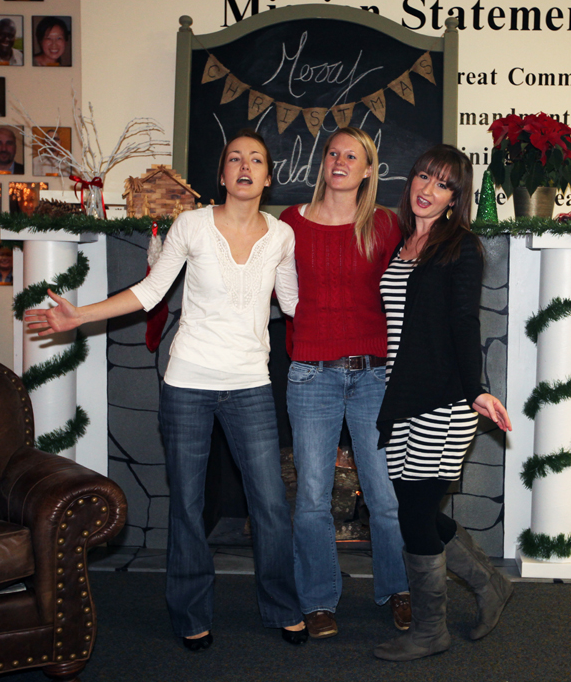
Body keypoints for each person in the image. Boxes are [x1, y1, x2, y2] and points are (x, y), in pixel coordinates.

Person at [25, 130, 308, 651]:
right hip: (188, 385)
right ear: (222, 174)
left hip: (250, 385)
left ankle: (282, 606)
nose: (245, 167)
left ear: (269, 177)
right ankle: (191, 613)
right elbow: (151, 291)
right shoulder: (191, 224)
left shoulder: (281, 236)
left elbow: (293, 304)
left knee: (270, 504)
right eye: (235, 159)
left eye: (256, 160)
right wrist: (79, 315)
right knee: (188, 506)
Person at [372, 145, 514, 662]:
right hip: (402, 395)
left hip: (444, 400)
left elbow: (463, 322)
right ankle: (489, 583)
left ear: (456, 198)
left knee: (414, 513)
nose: (428, 189)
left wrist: (475, 389)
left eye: (443, 184)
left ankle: (431, 630)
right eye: (423, 177)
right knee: (416, 509)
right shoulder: (399, 243)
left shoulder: (461, 247)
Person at [279, 128, 409, 639]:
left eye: (352, 156)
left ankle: (398, 589)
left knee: (384, 495)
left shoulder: (385, 225)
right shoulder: (291, 223)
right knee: (312, 497)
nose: (340, 161)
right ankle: (317, 600)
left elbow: (406, 291)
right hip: (312, 373)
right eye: (333, 152)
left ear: (368, 170)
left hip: (374, 374)